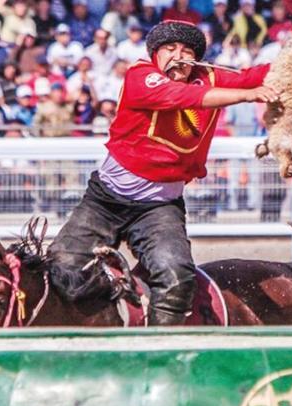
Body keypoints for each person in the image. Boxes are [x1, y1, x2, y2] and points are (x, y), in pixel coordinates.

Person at [46, 20, 278, 326]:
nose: (179, 56)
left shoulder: (207, 77)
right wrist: (247, 95)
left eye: (187, 51)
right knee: (60, 264)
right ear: (155, 54)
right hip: (105, 200)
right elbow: (181, 97)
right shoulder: (140, 75)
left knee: (177, 276)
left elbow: (256, 74)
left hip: (159, 208)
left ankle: (156, 350)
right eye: (170, 49)